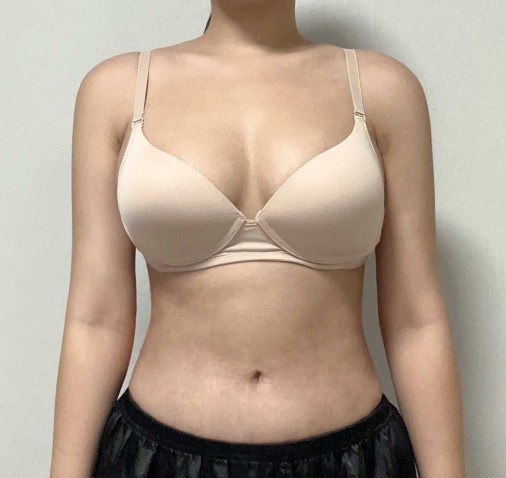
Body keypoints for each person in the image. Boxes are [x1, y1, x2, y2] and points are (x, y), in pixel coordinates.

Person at [50, 1, 465, 477]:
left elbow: (416, 321)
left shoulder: (384, 90)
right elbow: (95, 320)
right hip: (156, 459)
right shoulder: (118, 91)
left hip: (352, 460)